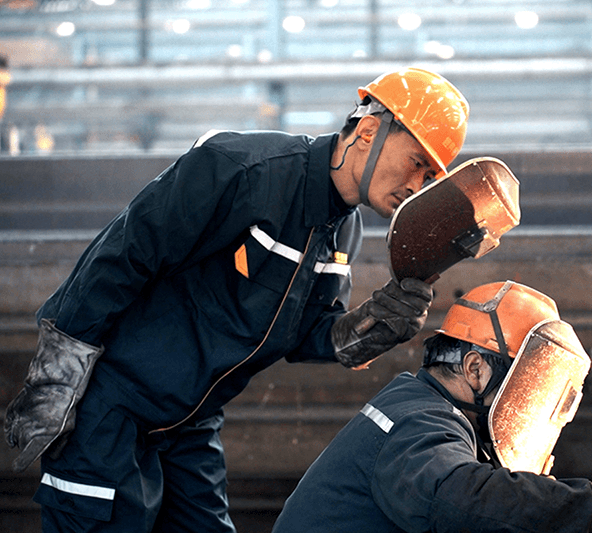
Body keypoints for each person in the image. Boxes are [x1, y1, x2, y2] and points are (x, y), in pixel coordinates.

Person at [4, 67, 470, 532]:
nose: (419, 186)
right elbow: (121, 255)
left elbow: (304, 334)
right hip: (109, 411)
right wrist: (56, 374)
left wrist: (370, 327)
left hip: (190, 423)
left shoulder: (344, 232)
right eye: (417, 163)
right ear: (368, 131)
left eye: (431, 176)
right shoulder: (244, 169)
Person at [273, 281, 592, 533]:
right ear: (475, 369)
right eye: (525, 388)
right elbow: (461, 501)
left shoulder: (428, 411)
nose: (526, 407)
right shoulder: (416, 420)